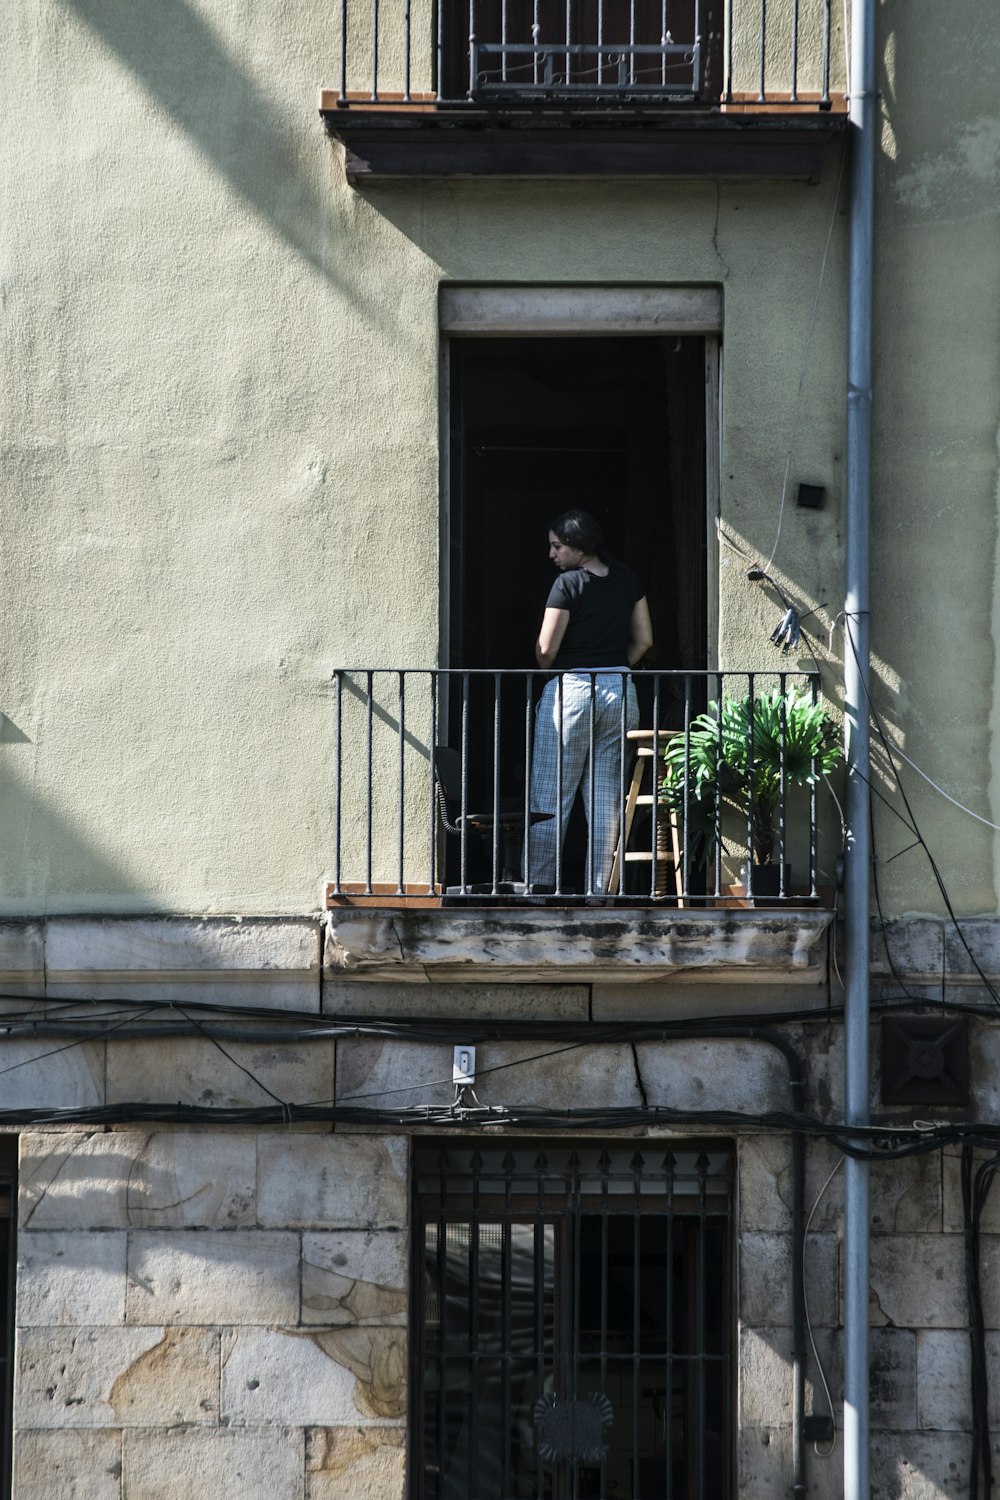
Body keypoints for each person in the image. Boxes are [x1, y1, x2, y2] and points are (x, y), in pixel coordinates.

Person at [529, 510, 654, 894]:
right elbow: (645, 640)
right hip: (620, 689)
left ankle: (539, 888)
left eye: (557, 546)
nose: (551, 554)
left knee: (551, 793)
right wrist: (615, 668)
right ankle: (601, 892)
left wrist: (555, 667)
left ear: (578, 547)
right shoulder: (627, 579)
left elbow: (546, 649)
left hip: (573, 690)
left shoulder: (566, 584)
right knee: (606, 799)